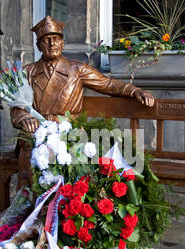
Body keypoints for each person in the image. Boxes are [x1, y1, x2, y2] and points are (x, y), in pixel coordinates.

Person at [10, 16, 155, 189]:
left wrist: (135, 91)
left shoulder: (76, 69)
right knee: (30, 151)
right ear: (38, 45)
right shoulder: (28, 71)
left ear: (63, 43)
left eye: (56, 39)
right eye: (46, 40)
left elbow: (107, 84)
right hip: (38, 135)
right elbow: (16, 106)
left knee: (74, 160)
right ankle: (29, 205)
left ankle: (64, 208)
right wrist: (24, 117)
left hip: (69, 132)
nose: (52, 44)